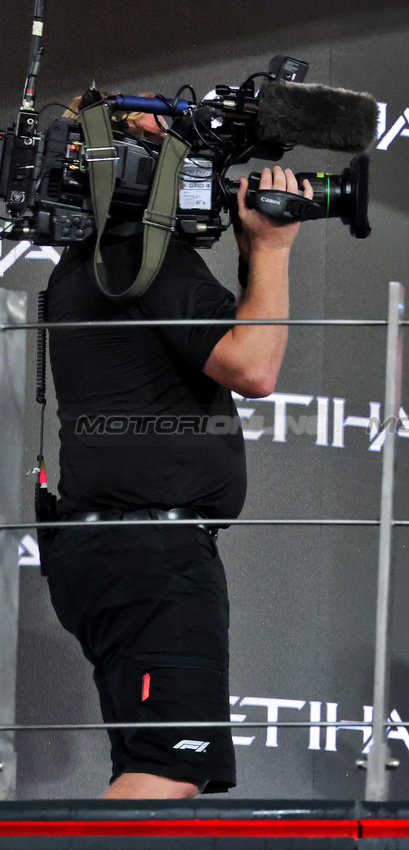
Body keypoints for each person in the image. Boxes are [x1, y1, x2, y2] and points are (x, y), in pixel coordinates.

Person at [40, 90, 312, 799]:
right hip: (151, 555)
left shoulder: (98, 263)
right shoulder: (141, 259)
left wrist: (254, 248)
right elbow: (253, 366)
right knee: (167, 771)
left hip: (122, 550)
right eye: (160, 149)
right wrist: (276, 246)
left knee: (153, 767)